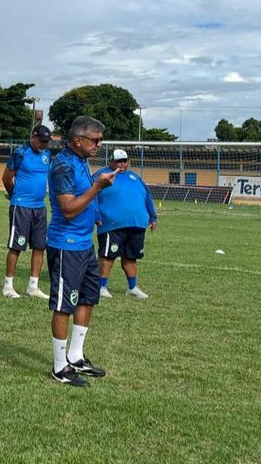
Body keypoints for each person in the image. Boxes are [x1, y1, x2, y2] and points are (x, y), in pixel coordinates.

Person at [45, 116, 115, 387]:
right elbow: (68, 208)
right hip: (66, 246)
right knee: (64, 305)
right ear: (78, 140)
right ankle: (60, 366)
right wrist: (98, 186)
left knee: (87, 299)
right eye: (95, 140)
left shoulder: (81, 162)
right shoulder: (62, 165)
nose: (99, 144)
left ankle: (75, 356)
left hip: (85, 245)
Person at [95, 149, 157, 299]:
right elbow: (92, 194)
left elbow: (147, 196)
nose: (122, 164)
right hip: (112, 224)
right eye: (118, 161)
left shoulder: (134, 177)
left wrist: (153, 216)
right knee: (108, 256)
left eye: (124, 161)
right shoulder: (102, 175)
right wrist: (96, 214)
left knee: (131, 257)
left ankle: (132, 287)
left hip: (136, 224)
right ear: (111, 161)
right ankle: (101, 286)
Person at [1, 124, 53, 299]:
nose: (44, 145)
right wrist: (14, 195)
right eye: (41, 141)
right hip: (21, 206)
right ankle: (8, 286)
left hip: (39, 207)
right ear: (33, 137)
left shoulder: (47, 155)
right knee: (17, 246)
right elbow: (7, 177)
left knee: (39, 247)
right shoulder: (20, 153)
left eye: (46, 142)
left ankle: (33, 286)